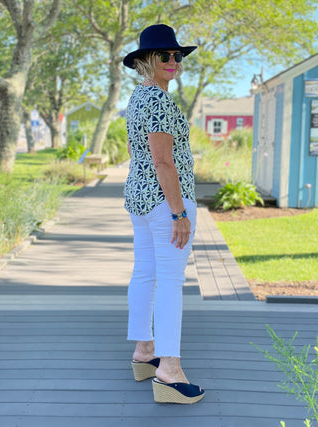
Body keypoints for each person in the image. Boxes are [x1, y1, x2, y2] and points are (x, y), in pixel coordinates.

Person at [122, 24, 205, 404]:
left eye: (177, 55)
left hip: (141, 200)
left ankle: (145, 351)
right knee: (171, 282)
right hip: (164, 203)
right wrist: (178, 214)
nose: (173, 61)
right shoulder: (157, 101)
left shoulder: (138, 97)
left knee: (146, 273)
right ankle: (169, 370)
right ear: (145, 61)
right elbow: (163, 161)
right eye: (164, 56)